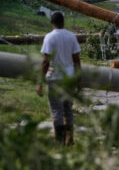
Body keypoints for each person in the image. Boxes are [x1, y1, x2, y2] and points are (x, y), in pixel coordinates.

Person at [36, 12, 81, 146]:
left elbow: (45, 62)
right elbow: (77, 60)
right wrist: (79, 80)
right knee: (68, 109)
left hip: (55, 78)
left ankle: (60, 142)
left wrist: (40, 83)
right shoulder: (71, 36)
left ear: (52, 22)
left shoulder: (50, 37)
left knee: (57, 110)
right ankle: (70, 139)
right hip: (69, 78)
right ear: (63, 22)